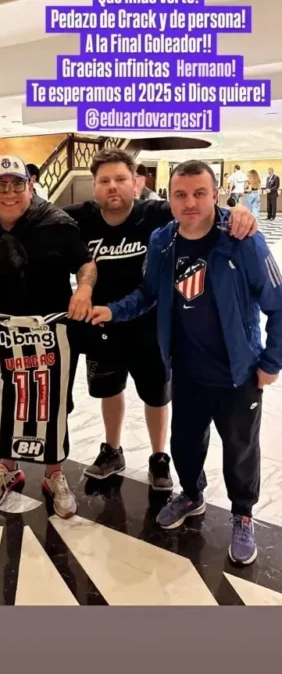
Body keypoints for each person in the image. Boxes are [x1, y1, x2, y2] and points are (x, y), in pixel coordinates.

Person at [91, 160, 282, 566]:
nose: (190, 202)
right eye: (180, 194)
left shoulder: (241, 240)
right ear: (170, 198)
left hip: (238, 374)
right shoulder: (163, 240)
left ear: (216, 195)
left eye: (199, 193)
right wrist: (113, 310)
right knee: (185, 443)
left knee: (240, 450)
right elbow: (148, 293)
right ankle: (192, 495)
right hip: (187, 372)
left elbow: (278, 304)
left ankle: (242, 514)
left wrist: (272, 362)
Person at [65, 149, 257, 487]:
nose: (113, 186)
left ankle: (158, 457)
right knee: (110, 389)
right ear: (94, 187)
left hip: (151, 327)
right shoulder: (80, 218)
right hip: (102, 324)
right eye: (104, 181)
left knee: (157, 396)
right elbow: (31, 213)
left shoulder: (154, 214)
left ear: (136, 183)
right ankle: (112, 450)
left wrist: (238, 212)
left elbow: (198, 207)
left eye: (121, 179)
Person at [0, 154, 97, 518]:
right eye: (0, 185)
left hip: (52, 333)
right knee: (6, 399)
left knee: (53, 402)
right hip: (3, 333)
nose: (9, 193)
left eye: (17, 184)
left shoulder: (56, 221)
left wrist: (84, 289)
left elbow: (85, 263)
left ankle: (54, 474)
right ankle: (9, 468)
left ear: (30, 186)